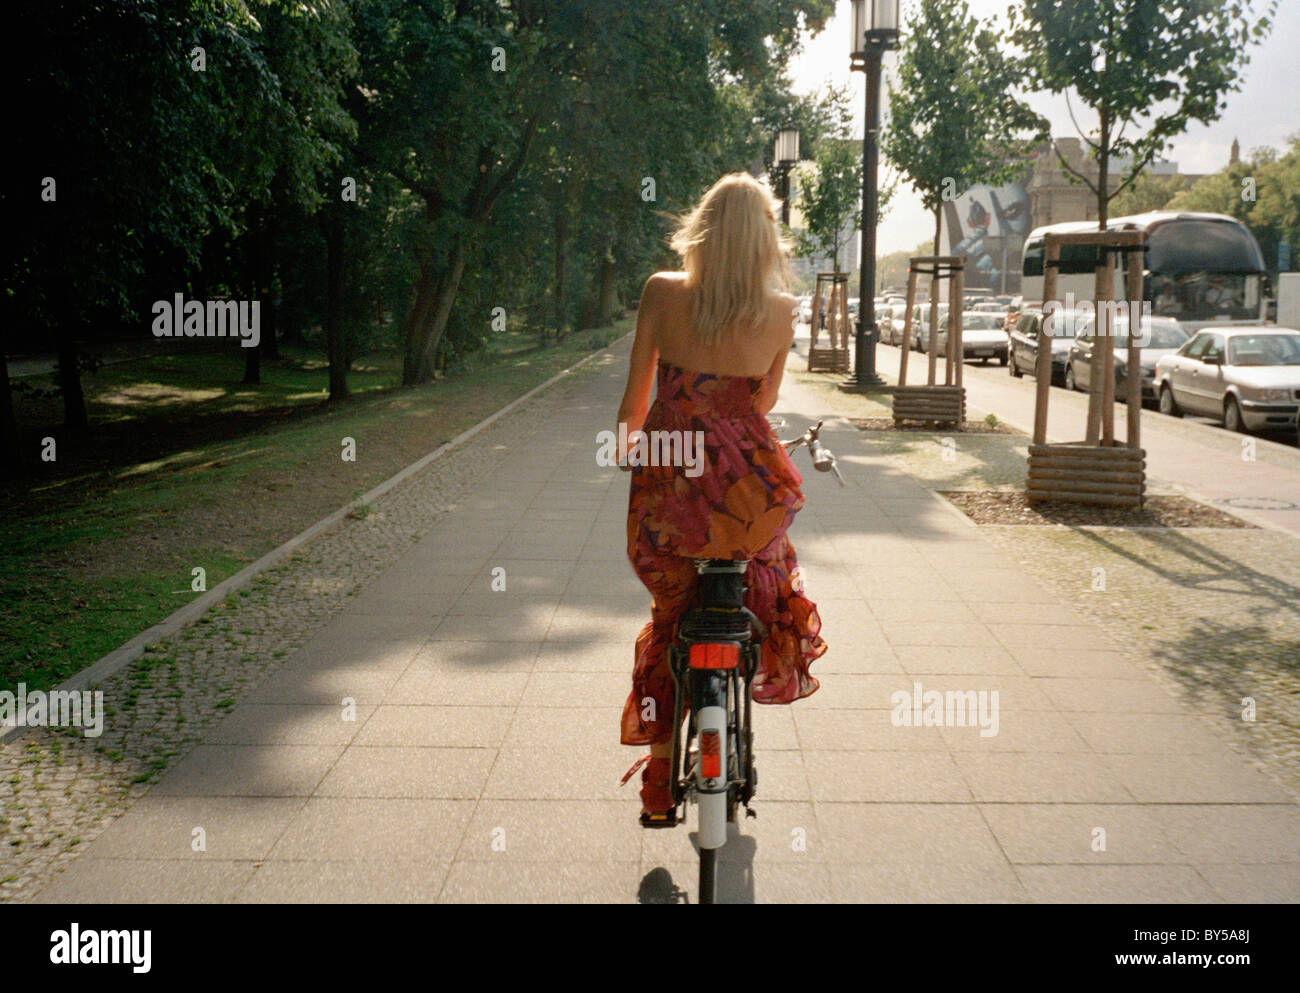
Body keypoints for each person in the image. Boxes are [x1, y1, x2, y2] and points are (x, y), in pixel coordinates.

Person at [614, 172, 827, 818]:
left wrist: (629, 448)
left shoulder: (661, 293)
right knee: (763, 587)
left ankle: (657, 778)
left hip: (670, 487)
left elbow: (635, 401)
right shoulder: (783, 312)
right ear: (766, 243)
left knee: (670, 620)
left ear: (701, 231)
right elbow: (762, 403)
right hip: (746, 494)